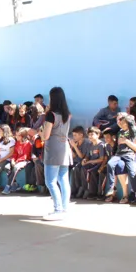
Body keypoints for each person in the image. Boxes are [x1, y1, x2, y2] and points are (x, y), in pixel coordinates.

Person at [41, 87, 73, 220]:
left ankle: (58, 209)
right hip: (65, 147)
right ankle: (64, 208)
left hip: (53, 149)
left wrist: (40, 132)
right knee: (63, 179)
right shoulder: (67, 114)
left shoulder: (51, 115)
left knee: (51, 181)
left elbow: (45, 136)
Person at [103, 114, 136, 203]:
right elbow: (118, 143)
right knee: (110, 163)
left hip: (129, 154)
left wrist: (126, 141)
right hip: (119, 154)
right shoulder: (120, 132)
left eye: (123, 122)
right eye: (120, 122)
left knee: (132, 173)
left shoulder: (133, 131)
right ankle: (111, 187)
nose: (121, 124)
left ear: (128, 123)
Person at [79, 127, 105, 200]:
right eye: (89, 135)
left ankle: (93, 192)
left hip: (98, 164)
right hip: (91, 163)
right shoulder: (90, 145)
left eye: (92, 134)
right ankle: (85, 189)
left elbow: (101, 159)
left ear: (98, 135)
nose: (90, 136)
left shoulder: (101, 145)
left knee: (91, 171)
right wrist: (85, 160)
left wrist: (89, 161)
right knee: (82, 168)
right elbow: (87, 156)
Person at [4, 128, 33, 194]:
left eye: (18, 135)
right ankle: (15, 184)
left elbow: (25, 156)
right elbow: (15, 153)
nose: (16, 137)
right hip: (17, 161)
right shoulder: (17, 143)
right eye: (16, 135)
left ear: (23, 136)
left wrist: (16, 162)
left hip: (25, 161)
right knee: (7, 167)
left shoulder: (28, 144)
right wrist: (13, 160)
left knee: (16, 168)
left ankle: (8, 186)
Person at [69, 126, 91, 198]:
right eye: (73, 135)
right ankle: (71, 190)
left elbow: (81, 156)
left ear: (81, 135)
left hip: (83, 162)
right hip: (75, 162)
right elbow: (74, 156)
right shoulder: (76, 142)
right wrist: (70, 148)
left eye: (75, 135)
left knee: (74, 170)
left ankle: (78, 189)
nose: (73, 137)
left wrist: (75, 147)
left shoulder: (86, 142)